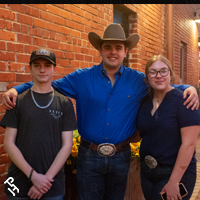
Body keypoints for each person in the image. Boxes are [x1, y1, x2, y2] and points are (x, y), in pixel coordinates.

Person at [2, 24, 199, 200]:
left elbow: (164, 84)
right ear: (100, 50)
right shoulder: (81, 78)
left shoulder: (138, 80)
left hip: (121, 157)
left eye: (118, 48)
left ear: (126, 51)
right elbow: (47, 84)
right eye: (108, 47)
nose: (113, 52)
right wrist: (16, 89)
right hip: (89, 156)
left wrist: (188, 88)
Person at [0, 49, 77, 200]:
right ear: (30, 68)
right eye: (37, 65)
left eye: (47, 65)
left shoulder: (64, 103)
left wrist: (44, 180)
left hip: (52, 184)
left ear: (55, 69)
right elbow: (8, 143)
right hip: (17, 182)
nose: (42, 69)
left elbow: (67, 145)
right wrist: (33, 176)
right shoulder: (17, 101)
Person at [137, 55, 200, 200]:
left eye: (163, 71)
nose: (158, 76)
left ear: (170, 74)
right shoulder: (145, 102)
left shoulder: (185, 101)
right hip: (147, 173)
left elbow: (189, 144)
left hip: (174, 173)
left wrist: (173, 182)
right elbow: (141, 132)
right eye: (153, 72)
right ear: (147, 76)